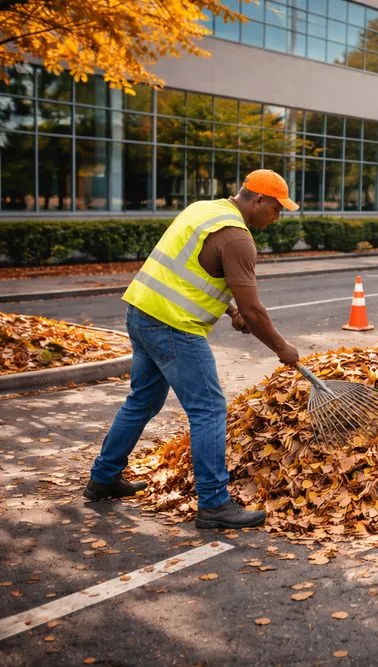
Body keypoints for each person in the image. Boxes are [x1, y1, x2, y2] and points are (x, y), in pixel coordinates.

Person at [84, 169, 301, 530]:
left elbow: (190, 268)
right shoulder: (238, 239)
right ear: (259, 199)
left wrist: (229, 311)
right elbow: (255, 311)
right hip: (173, 326)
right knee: (209, 409)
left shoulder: (204, 209)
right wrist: (283, 348)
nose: (277, 217)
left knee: (143, 400)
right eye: (277, 209)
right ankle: (215, 503)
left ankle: (104, 478)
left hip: (141, 311)